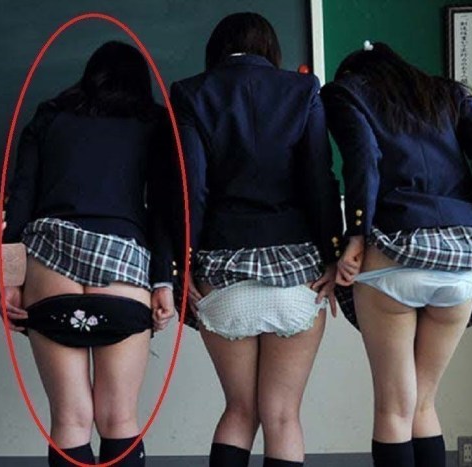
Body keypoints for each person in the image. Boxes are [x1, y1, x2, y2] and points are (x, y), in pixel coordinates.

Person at [321, 41, 472, 467]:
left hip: (395, 251)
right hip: (461, 262)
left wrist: (356, 236)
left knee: (394, 408)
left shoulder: (344, 92)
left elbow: (363, 158)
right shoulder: (448, 93)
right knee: (423, 403)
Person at [169, 13, 342, 467]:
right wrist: (333, 255)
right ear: (270, 49)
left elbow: (191, 189)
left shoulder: (190, 93)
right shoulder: (303, 90)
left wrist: (182, 263)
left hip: (222, 270)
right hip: (296, 271)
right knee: (282, 416)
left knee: (239, 410)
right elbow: (320, 181)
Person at [0, 41, 178, 467]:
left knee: (69, 420)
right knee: (119, 418)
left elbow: (19, 202)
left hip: (50, 262)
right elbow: (164, 208)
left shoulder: (48, 116)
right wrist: (164, 280)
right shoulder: (153, 123)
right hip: (122, 265)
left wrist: (7, 280)